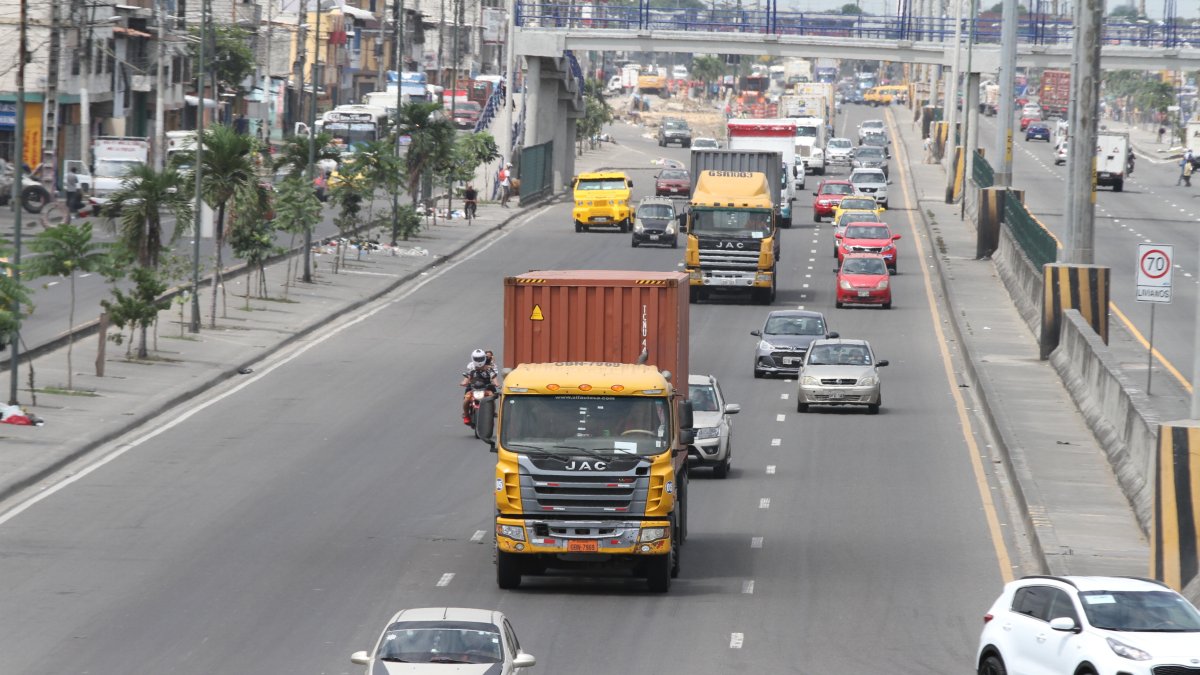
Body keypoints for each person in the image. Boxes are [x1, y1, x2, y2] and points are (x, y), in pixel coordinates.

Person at [461, 348, 499, 424]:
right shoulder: (471, 370)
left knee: (491, 397)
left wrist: (496, 383)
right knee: (466, 399)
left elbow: (494, 377)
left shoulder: (489, 369)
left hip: (485, 389)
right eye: (477, 359)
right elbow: (466, 378)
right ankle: (466, 415)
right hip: (473, 389)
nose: (479, 361)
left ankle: (492, 411)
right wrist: (463, 382)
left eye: (481, 359)